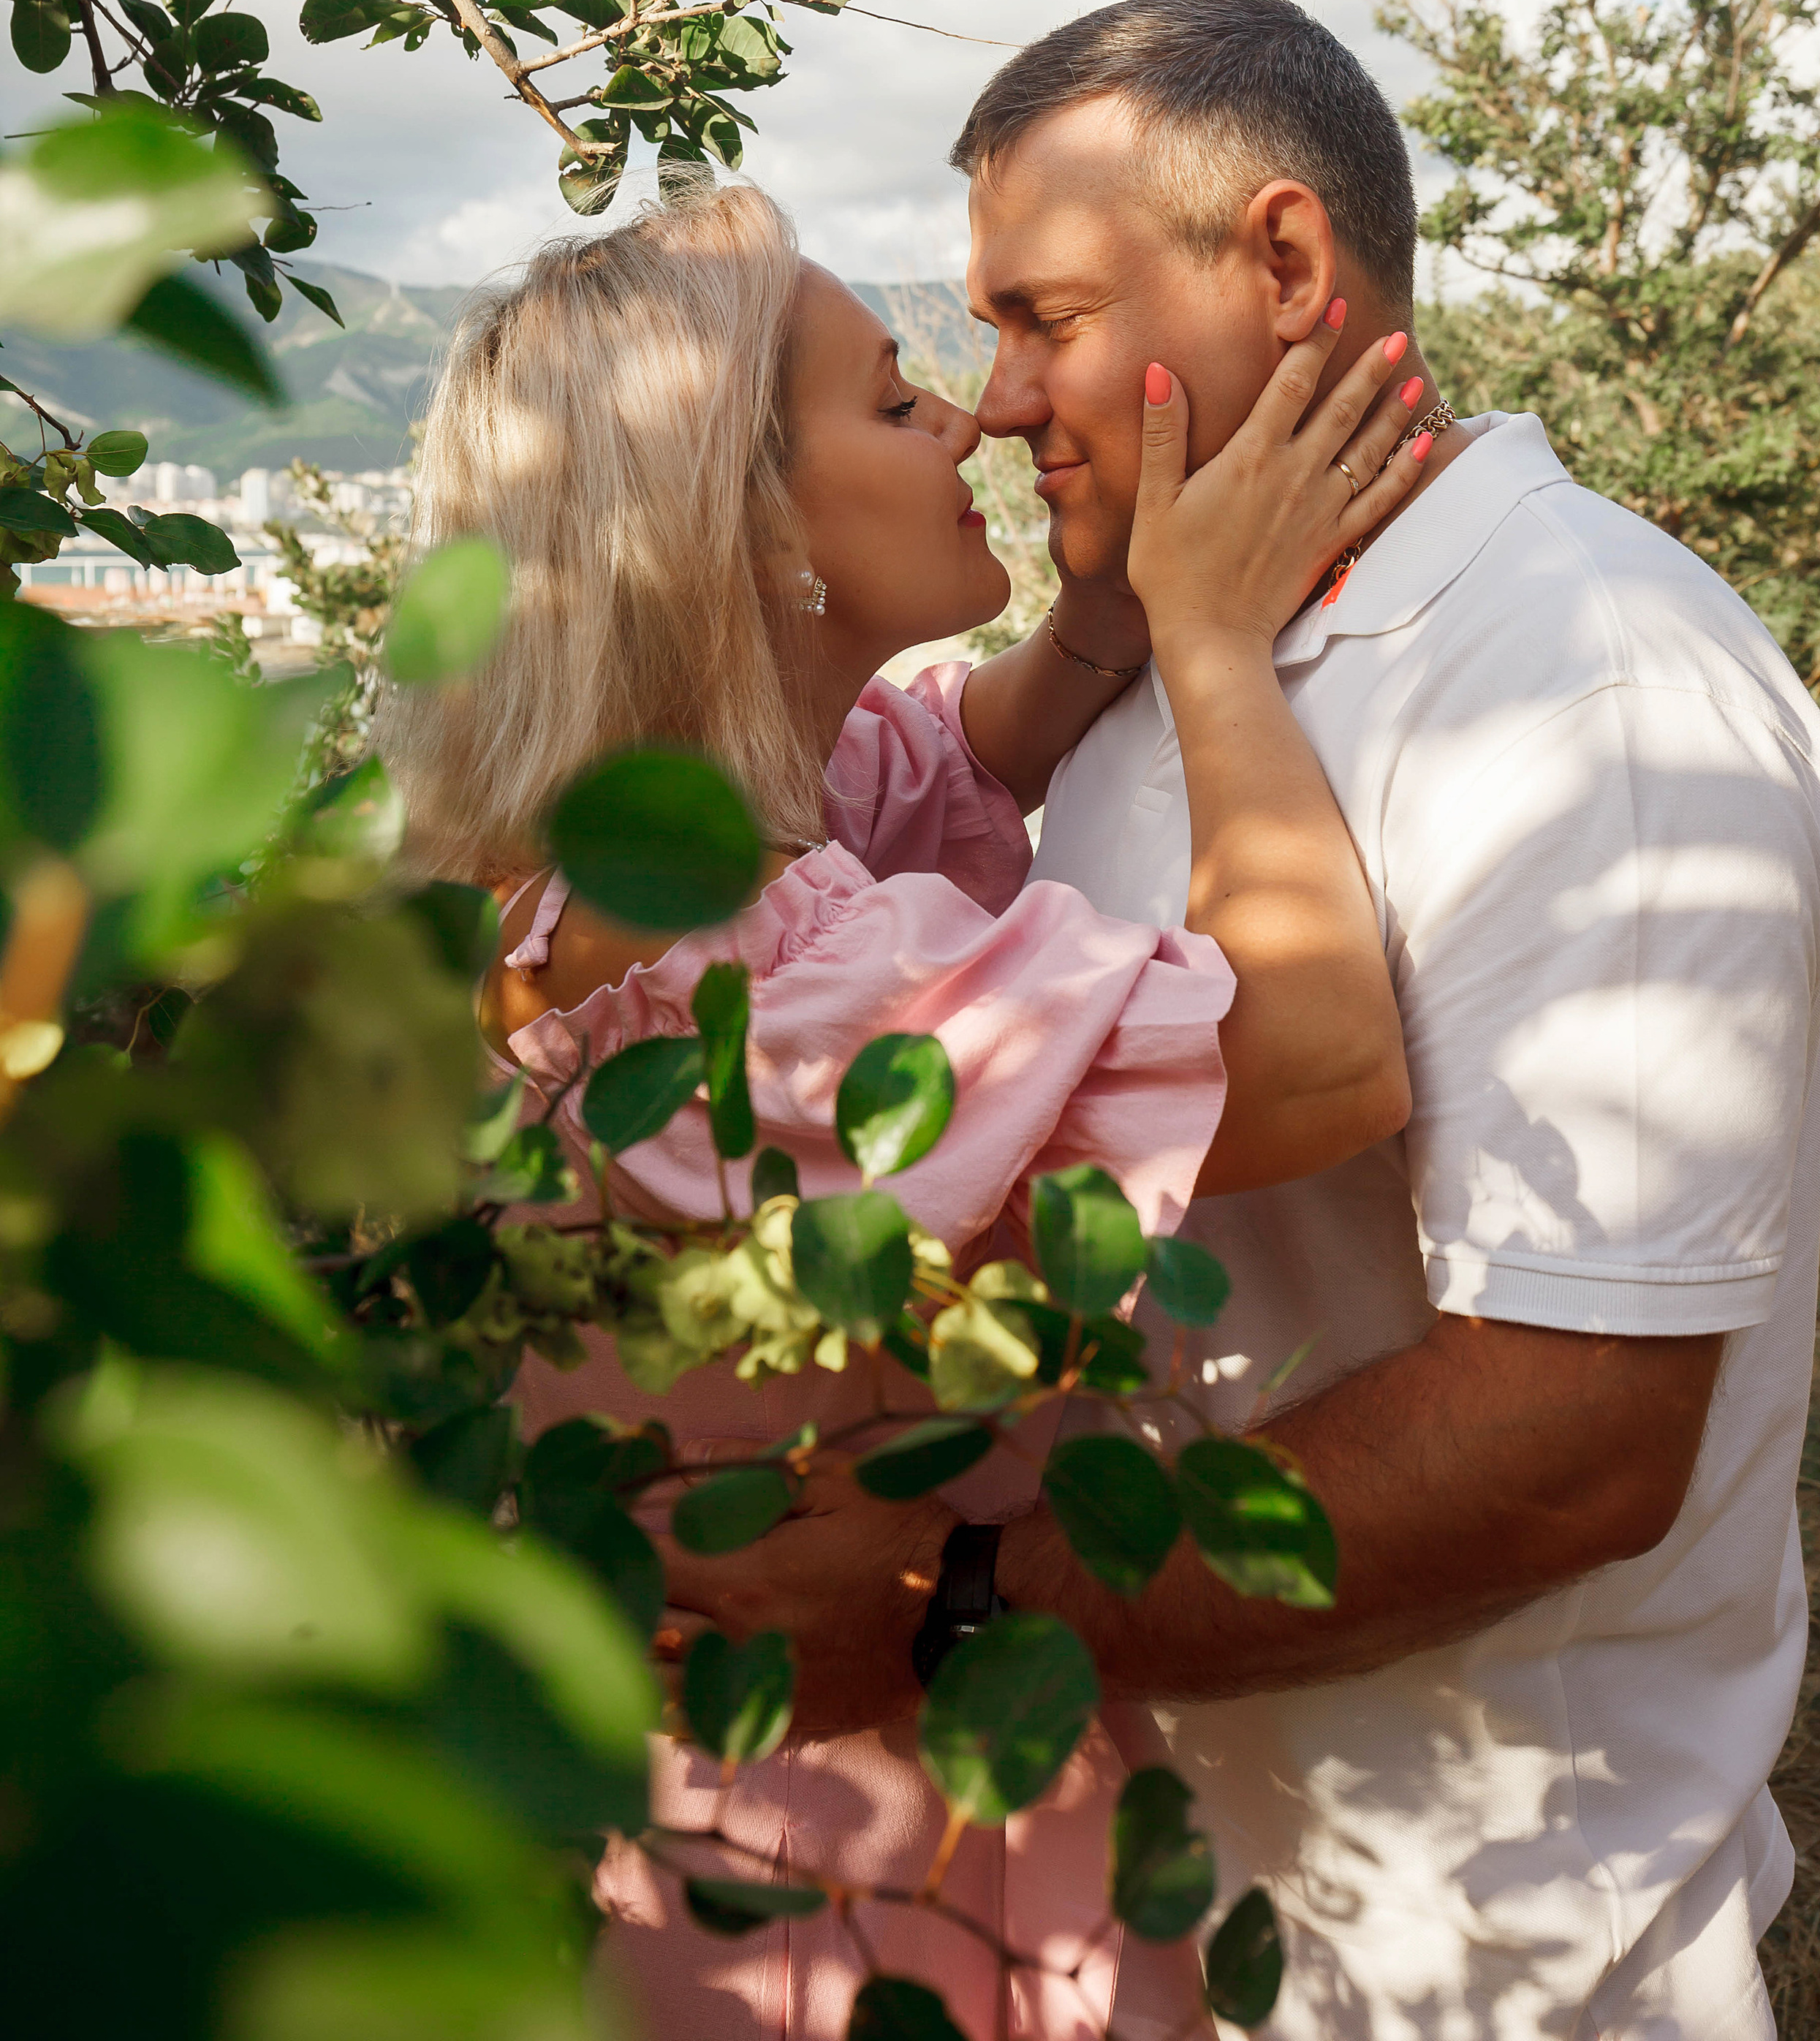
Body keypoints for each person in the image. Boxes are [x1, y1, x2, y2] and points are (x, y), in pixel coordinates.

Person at [660, 0, 1820, 2041]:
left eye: (1040, 317)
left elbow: (1569, 1438)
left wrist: (950, 1610)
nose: (1004, 398)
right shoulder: (1173, 655)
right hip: (1174, 1904)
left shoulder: (1588, 689)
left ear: (1285, 265)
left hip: (1481, 1959)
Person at [374, 175, 1432, 2041]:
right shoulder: (772, 982)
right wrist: (1207, 640)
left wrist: (1098, 614)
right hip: (870, 1874)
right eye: (886, 401)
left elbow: (948, 745)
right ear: (748, 526)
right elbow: (1322, 1051)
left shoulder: (578, 877)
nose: (972, 414)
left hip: (662, 1834)